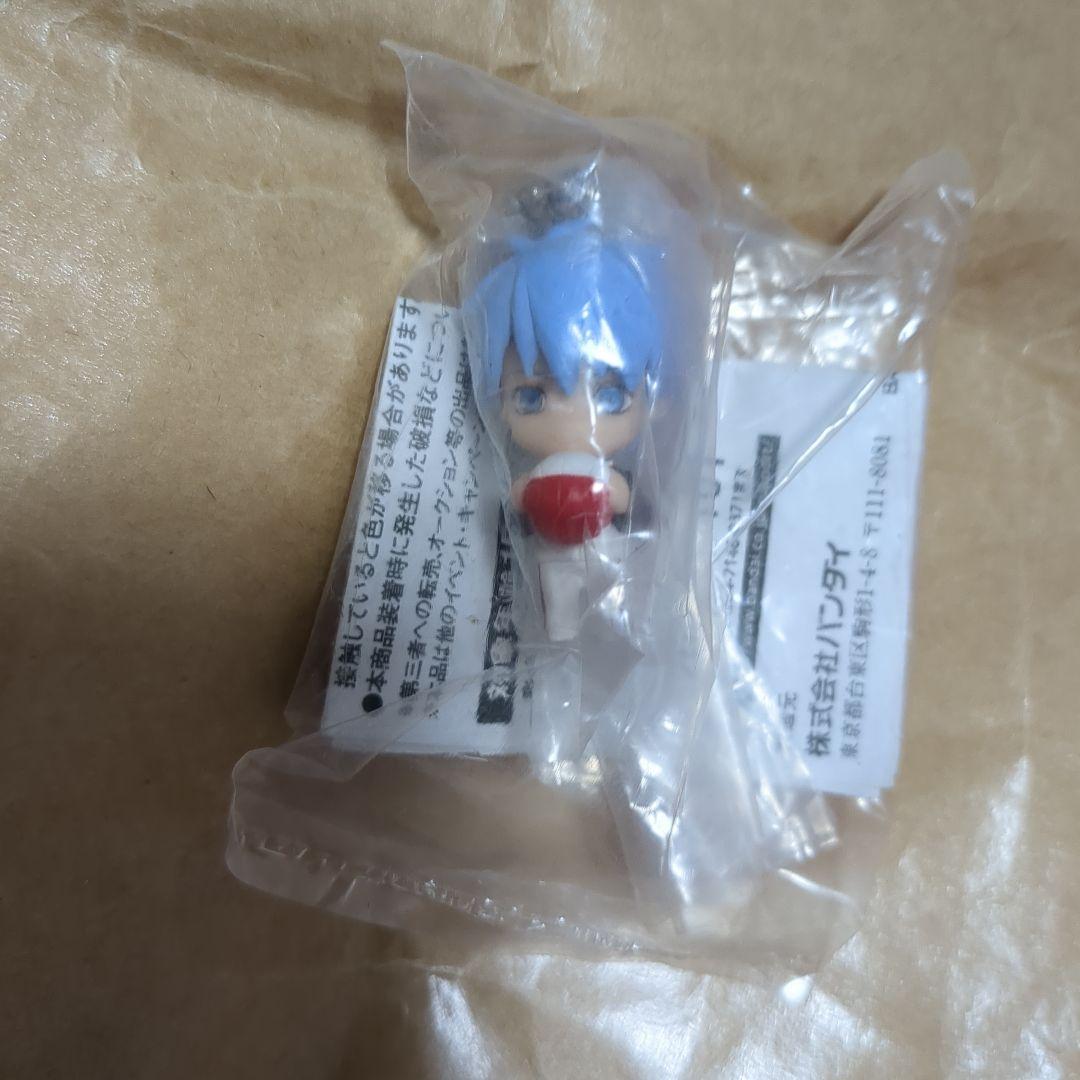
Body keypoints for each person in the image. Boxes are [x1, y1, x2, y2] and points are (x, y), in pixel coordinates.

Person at [465, 217, 663, 640]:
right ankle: (561, 641)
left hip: (605, 546)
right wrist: (524, 499)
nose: (574, 419)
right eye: (531, 397)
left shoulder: (606, 473)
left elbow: (629, 502)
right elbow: (515, 501)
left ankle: (617, 631)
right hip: (550, 554)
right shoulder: (539, 473)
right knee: (558, 611)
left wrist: (617, 496)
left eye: (610, 397)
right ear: (499, 404)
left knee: (616, 599)